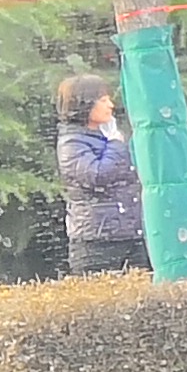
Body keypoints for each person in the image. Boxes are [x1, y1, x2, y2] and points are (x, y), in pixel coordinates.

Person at [54, 72, 142, 275]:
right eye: (103, 100)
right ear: (84, 105)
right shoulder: (71, 142)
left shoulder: (107, 135)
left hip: (131, 236)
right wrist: (116, 144)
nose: (110, 105)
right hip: (97, 243)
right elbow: (97, 176)